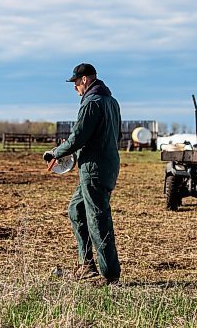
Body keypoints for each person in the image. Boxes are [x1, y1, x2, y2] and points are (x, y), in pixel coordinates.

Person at [43, 63, 122, 285]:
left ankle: (109, 274)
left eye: (76, 82)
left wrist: (56, 153)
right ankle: (86, 266)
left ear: (85, 80)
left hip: (94, 169)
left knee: (97, 218)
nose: (75, 87)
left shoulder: (91, 103)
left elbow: (79, 136)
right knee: (76, 209)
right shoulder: (112, 102)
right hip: (107, 165)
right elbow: (117, 135)